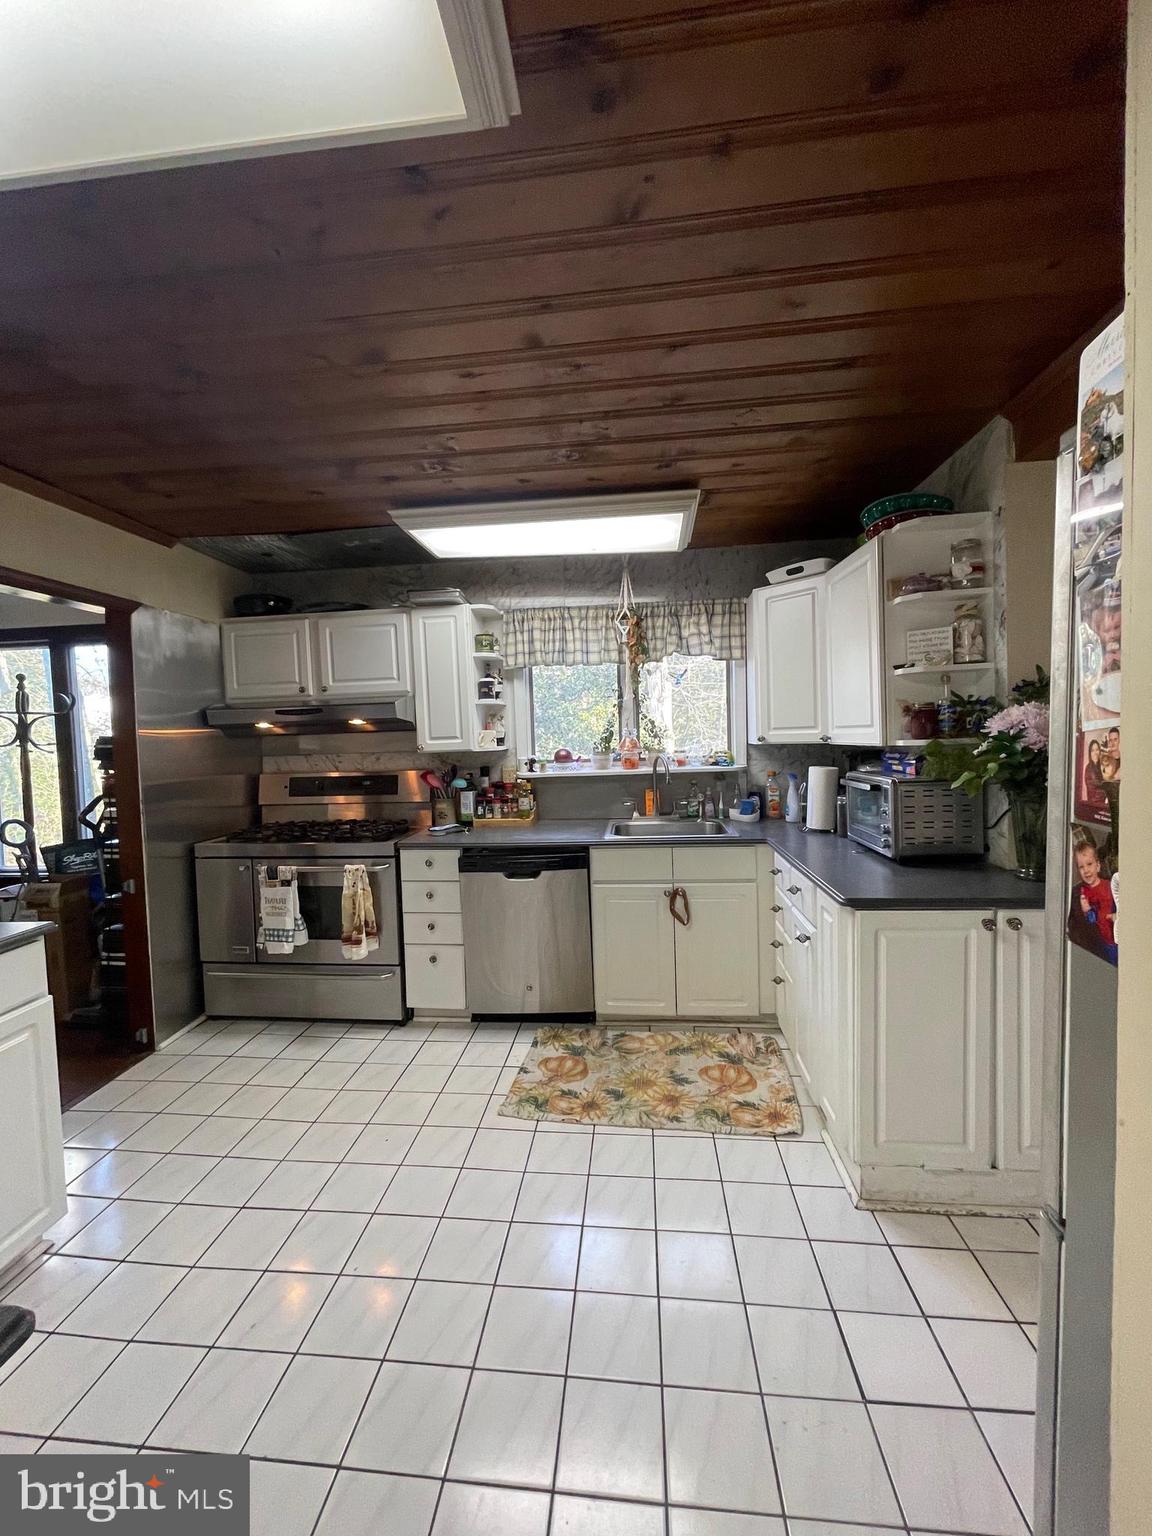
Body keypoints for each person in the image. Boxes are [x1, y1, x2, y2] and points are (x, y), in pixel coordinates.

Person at [1068, 828, 1118, 963]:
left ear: (1098, 866)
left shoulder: (1110, 885)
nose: (1086, 870)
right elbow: (1091, 920)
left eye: (1089, 864)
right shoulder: (1083, 893)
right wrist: (1087, 910)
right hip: (1104, 943)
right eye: (1081, 867)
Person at [1083, 737, 1107, 810]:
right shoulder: (1089, 768)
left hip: (1102, 806)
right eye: (1092, 750)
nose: (1095, 753)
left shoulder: (1100, 766)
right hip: (1094, 806)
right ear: (1090, 753)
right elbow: (1093, 793)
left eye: (1097, 749)